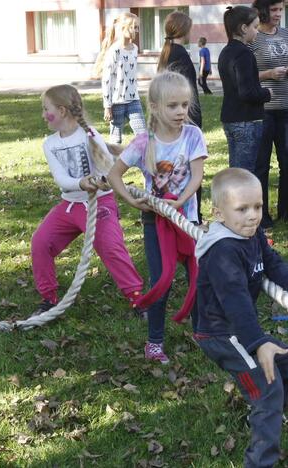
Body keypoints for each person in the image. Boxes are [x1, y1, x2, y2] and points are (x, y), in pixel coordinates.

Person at [193, 167, 288, 468]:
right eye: (242, 209)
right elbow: (235, 301)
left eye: (257, 207)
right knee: (269, 386)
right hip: (220, 333)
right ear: (219, 214)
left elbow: (272, 261)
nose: (253, 216)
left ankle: (266, 415)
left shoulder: (252, 234)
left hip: (239, 328)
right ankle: (260, 461)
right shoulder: (223, 252)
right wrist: (258, 342)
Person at [107, 71, 207, 364]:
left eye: (185, 105)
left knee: (198, 278)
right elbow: (114, 175)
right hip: (156, 223)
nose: (180, 112)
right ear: (155, 107)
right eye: (172, 106)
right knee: (161, 279)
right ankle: (154, 342)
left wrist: (181, 202)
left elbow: (197, 177)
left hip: (187, 221)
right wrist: (135, 203)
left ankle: (202, 332)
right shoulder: (143, 142)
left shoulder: (192, 135)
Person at [31, 85, 143, 315]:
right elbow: (61, 179)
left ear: (61, 111)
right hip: (70, 205)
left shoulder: (89, 135)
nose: (43, 115)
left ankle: (137, 298)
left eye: (46, 109)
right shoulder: (50, 144)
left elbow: (108, 168)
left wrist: (100, 180)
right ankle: (48, 298)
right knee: (40, 242)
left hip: (99, 203)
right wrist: (82, 183)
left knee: (111, 247)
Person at [250, 0, 288, 227]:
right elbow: (246, 74)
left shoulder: (287, 34)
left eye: (280, 9)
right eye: (273, 10)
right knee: (262, 165)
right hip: (264, 110)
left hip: (286, 107)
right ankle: (263, 216)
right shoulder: (253, 37)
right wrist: (269, 73)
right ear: (262, 11)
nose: (278, 14)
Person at [219, 6, 272, 172]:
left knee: (236, 171)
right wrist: (267, 93)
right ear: (243, 28)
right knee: (244, 175)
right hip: (245, 121)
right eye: (255, 27)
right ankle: (242, 199)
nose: (257, 32)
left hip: (230, 119)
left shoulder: (225, 52)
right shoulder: (244, 53)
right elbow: (247, 92)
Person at [93, 12, 147, 144]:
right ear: (123, 28)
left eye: (137, 27)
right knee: (116, 139)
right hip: (117, 102)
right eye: (133, 27)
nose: (136, 30)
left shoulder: (135, 48)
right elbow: (106, 80)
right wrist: (107, 106)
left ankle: (147, 162)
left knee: (143, 136)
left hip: (133, 99)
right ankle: (113, 163)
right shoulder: (114, 50)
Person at [157, 11, 202, 129]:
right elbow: (187, 90)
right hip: (183, 118)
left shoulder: (169, 51)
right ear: (184, 30)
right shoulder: (180, 54)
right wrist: (194, 121)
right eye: (189, 29)